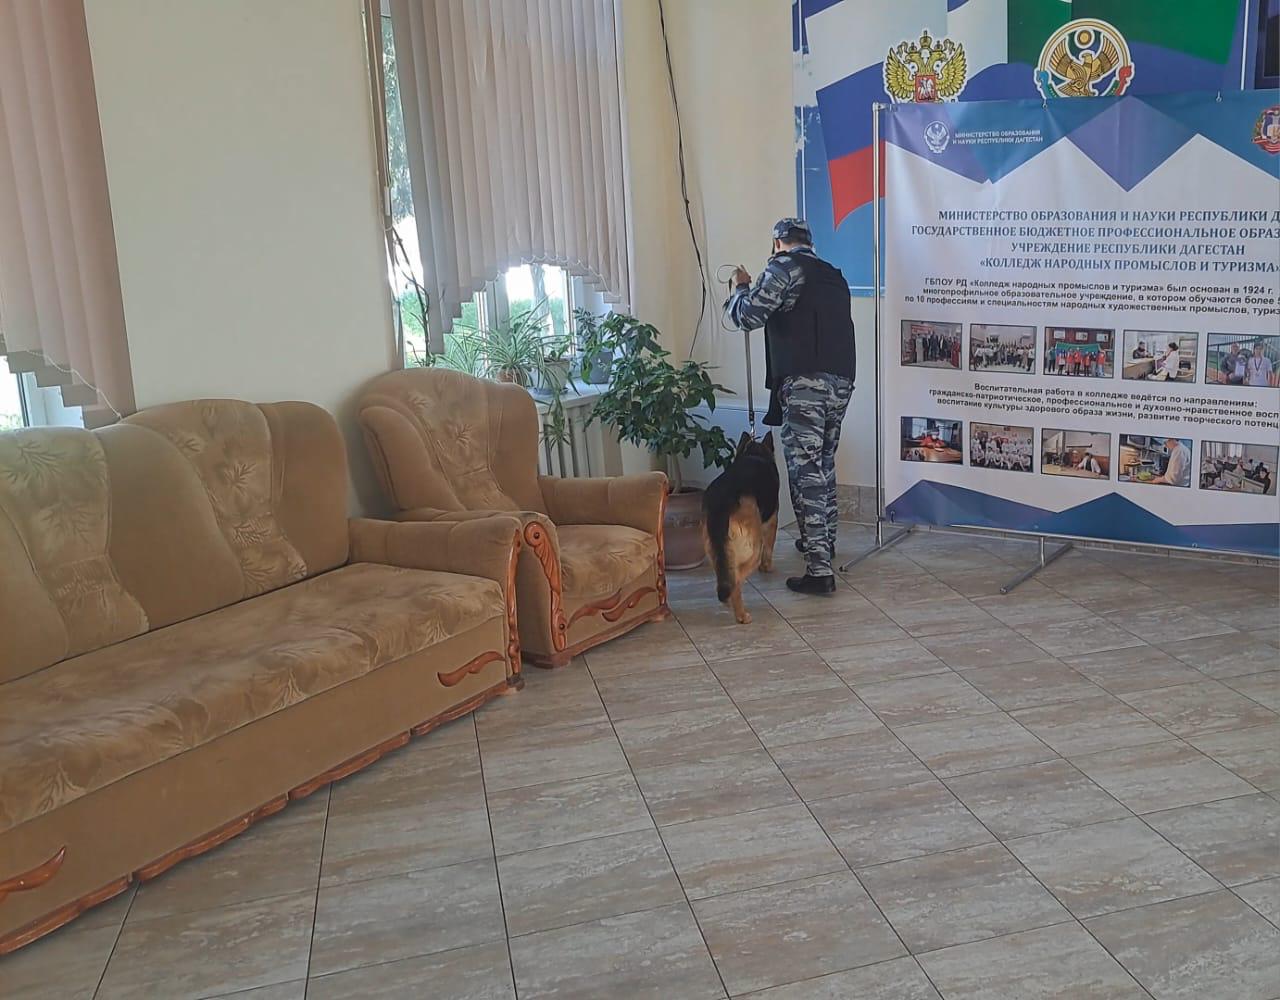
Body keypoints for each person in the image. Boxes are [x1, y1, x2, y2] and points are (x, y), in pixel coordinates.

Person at [725, 217, 856, 595]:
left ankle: (819, 571)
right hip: (841, 380)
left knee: (805, 471)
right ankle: (824, 543)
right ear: (810, 242)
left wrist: (742, 287)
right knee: (823, 464)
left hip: (805, 384)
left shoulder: (783, 267)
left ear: (777, 242)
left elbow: (747, 316)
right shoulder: (833, 275)